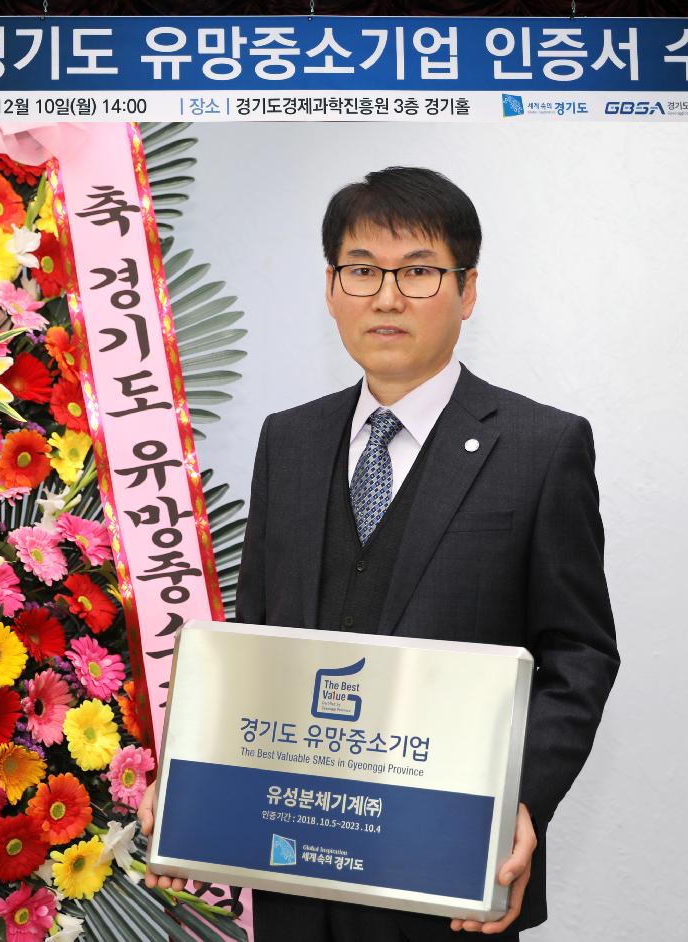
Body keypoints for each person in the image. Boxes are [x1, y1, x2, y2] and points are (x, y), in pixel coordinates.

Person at [140, 166, 619, 940]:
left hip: (447, 870)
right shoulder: (289, 440)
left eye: (418, 272)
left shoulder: (542, 447)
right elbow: (255, 641)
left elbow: (578, 654)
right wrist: (191, 784)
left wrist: (518, 801)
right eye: (361, 270)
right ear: (332, 289)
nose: (387, 297)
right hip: (293, 866)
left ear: (467, 290)